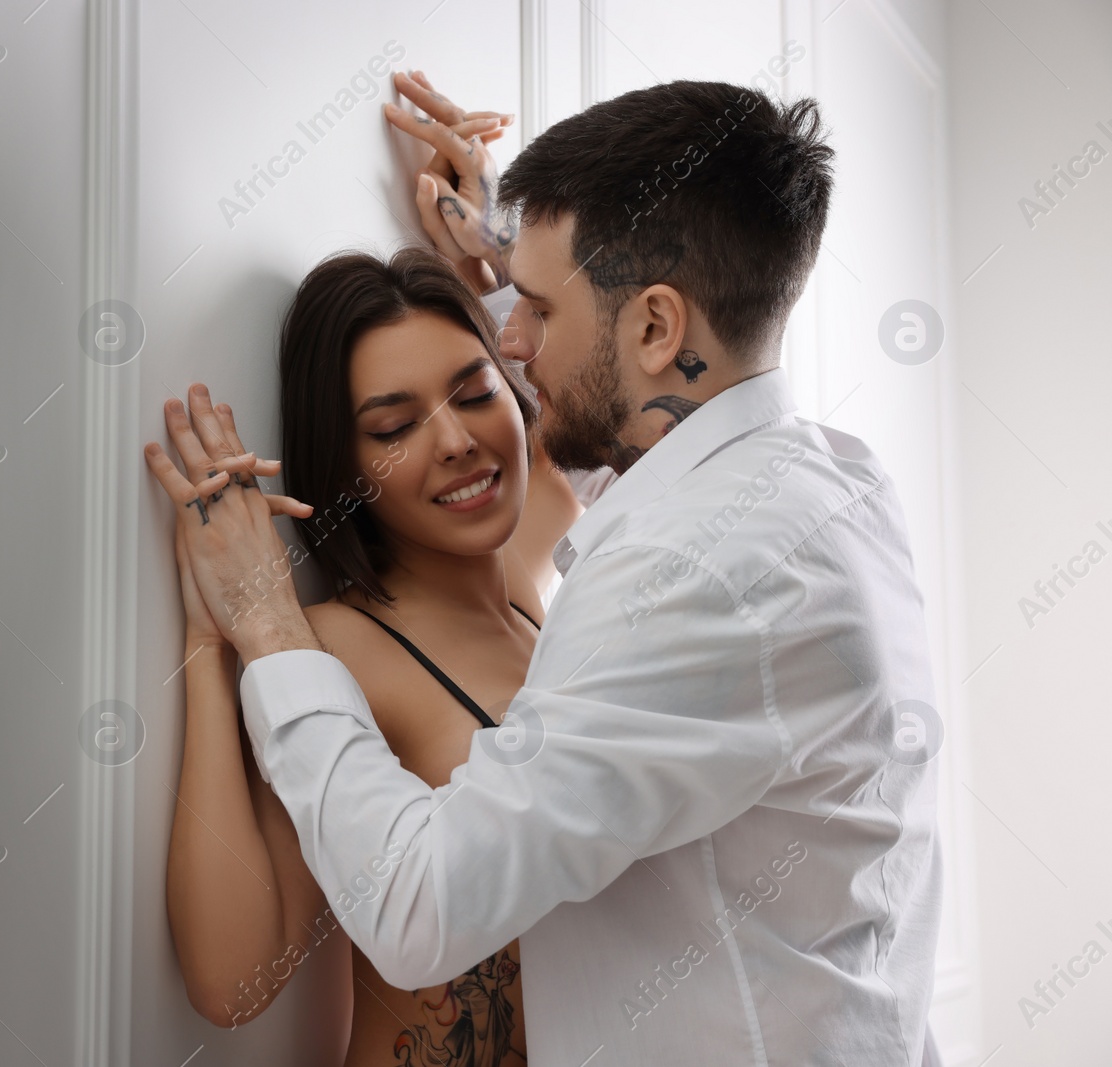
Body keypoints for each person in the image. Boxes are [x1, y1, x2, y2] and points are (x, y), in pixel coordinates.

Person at [146, 77, 943, 1063]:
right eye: (392, 425)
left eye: (527, 321)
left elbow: (419, 906)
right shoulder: (830, 485)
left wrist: (263, 621)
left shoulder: (664, 571)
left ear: (655, 327)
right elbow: (235, 978)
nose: (514, 349)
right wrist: (516, 264)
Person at [163, 244, 581, 1063]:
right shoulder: (331, 652)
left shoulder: (530, 574)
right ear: (346, 466)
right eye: (394, 428)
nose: (458, 440)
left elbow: (575, 400)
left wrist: (488, 252)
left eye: (474, 392)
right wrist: (218, 638)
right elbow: (232, 982)